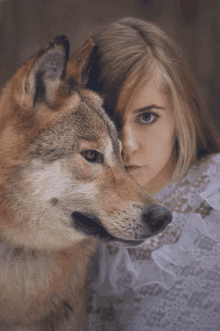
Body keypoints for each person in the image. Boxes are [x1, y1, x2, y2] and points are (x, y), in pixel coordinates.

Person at [84, 17, 220, 331]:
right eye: (110, 119)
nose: (127, 145)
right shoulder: (75, 218)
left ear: (181, 112)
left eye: (147, 116)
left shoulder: (214, 195)